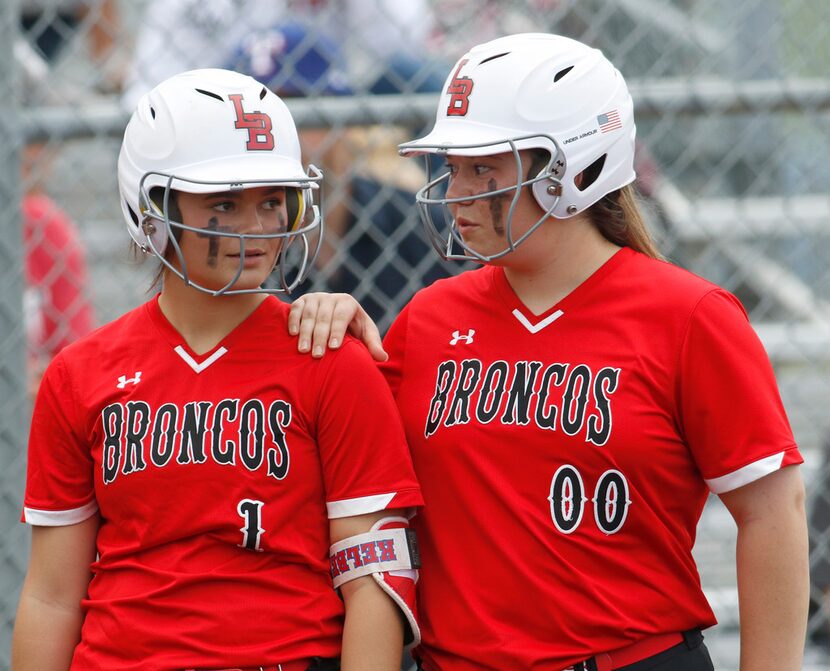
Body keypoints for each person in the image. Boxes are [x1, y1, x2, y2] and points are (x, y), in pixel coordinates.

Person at [287, 33, 809, 670]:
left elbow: (772, 512)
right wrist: (329, 325)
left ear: (577, 169)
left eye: (487, 169)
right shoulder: (430, 317)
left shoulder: (688, 316)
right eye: (454, 167)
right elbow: (353, 478)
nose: (458, 192)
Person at [11, 68, 423, 671]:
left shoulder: (329, 358)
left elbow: (376, 582)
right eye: (224, 203)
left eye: (271, 201)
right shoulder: (81, 373)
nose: (257, 229)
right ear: (152, 205)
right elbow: (51, 596)